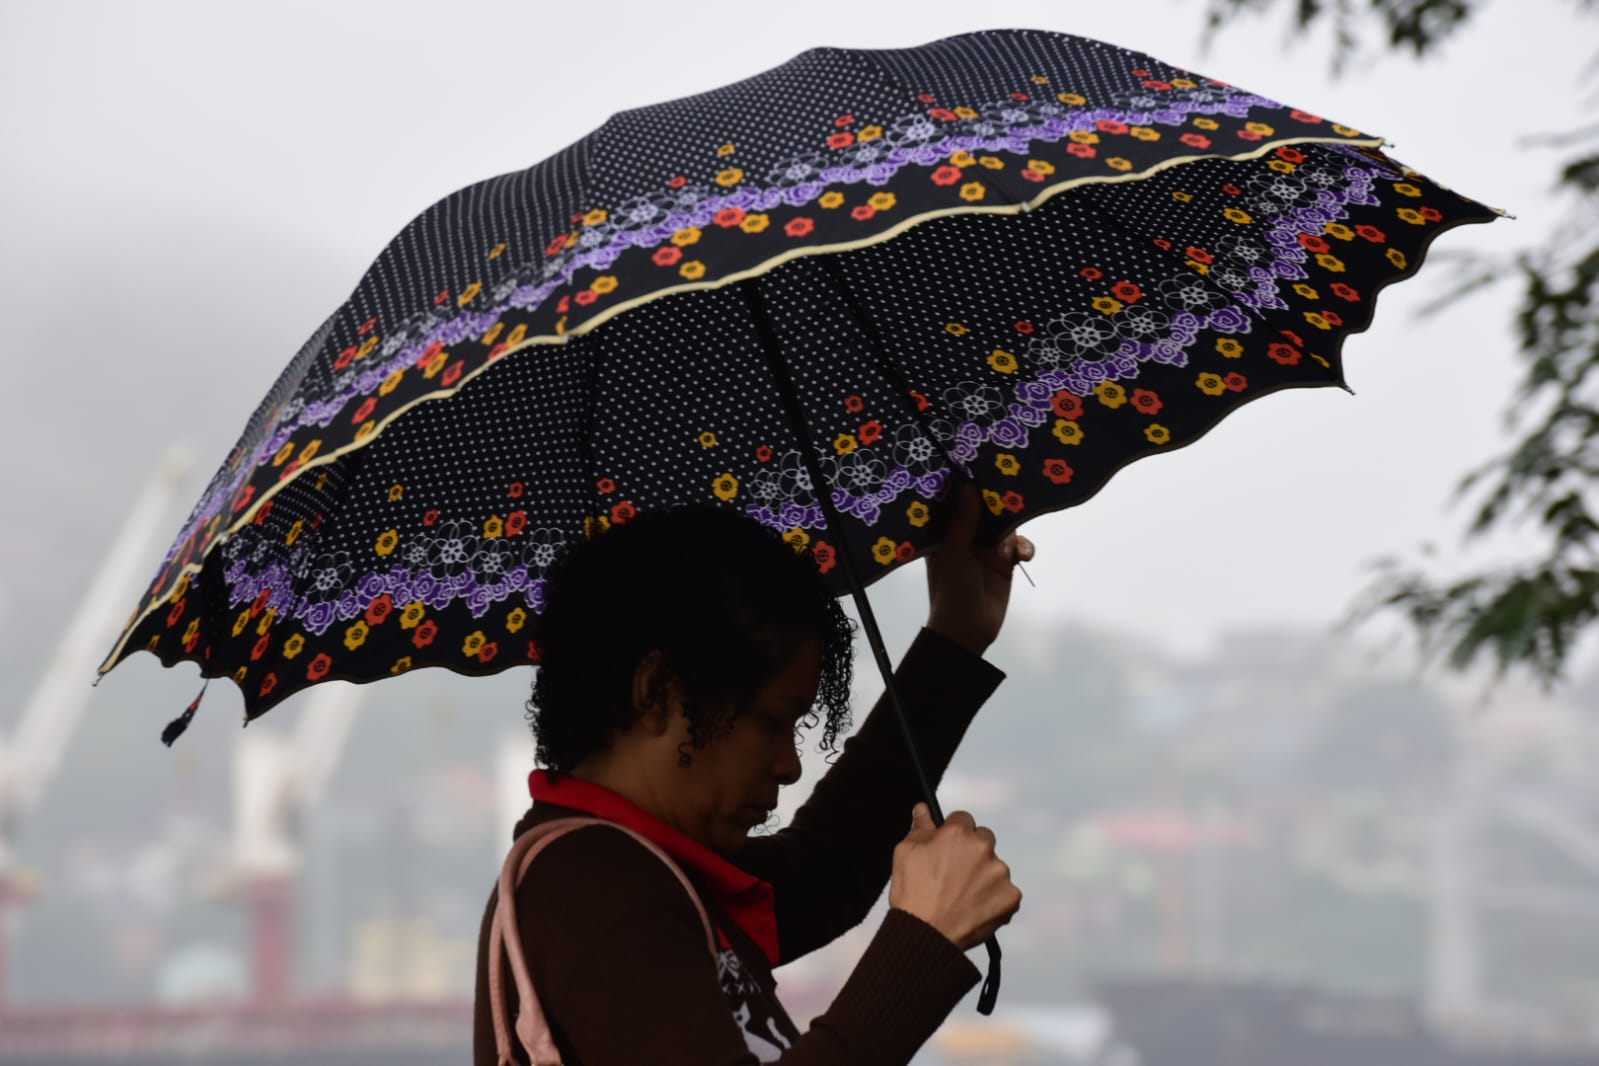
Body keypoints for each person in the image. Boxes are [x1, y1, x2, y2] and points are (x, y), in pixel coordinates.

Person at [473, 482, 1034, 1064]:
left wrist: (955, 636)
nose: (789, 766)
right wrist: (923, 943)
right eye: (771, 722)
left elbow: (825, 871)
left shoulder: (646, 873)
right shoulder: (592, 888)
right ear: (657, 693)